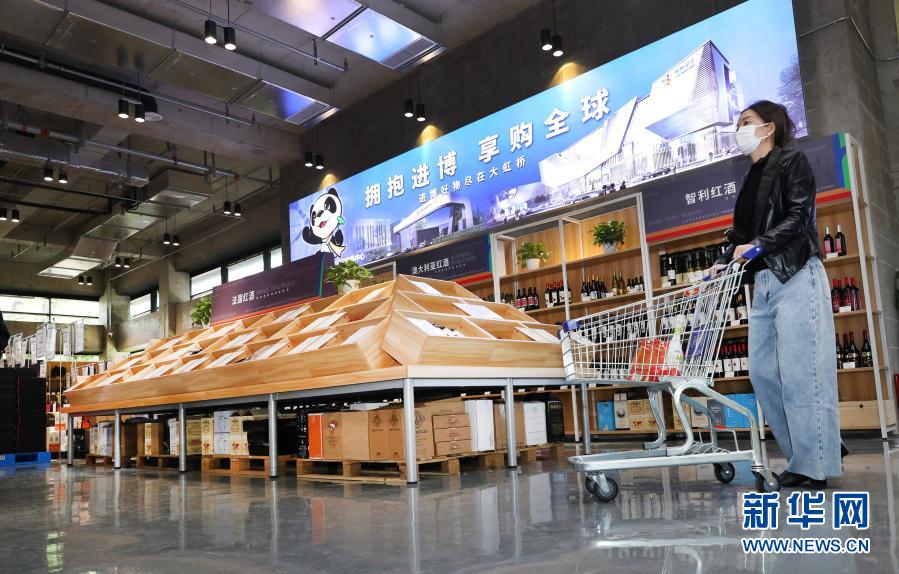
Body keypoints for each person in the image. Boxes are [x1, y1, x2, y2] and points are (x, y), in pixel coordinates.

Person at [712, 100, 843, 489]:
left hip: (796, 273)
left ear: (769, 128)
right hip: (764, 285)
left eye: (746, 122)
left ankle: (812, 465)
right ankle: (807, 454)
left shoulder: (791, 162)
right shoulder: (750, 177)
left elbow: (798, 217)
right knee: (763, 373)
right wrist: (722, 261)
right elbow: (740, 235)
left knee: (803, 373)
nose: (739, 129)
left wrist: (758, 245)